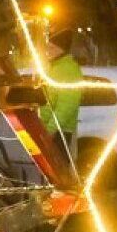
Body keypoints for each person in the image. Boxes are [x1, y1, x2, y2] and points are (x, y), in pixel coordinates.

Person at [39, 28, 83, 156]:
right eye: (47, 47)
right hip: (47, 128)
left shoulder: (68, 69)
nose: (48, 51)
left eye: (52, 47)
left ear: (62, 49)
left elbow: (67, 104)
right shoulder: (54, 67)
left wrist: (51, 129)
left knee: (58, 170)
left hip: (60, 132)